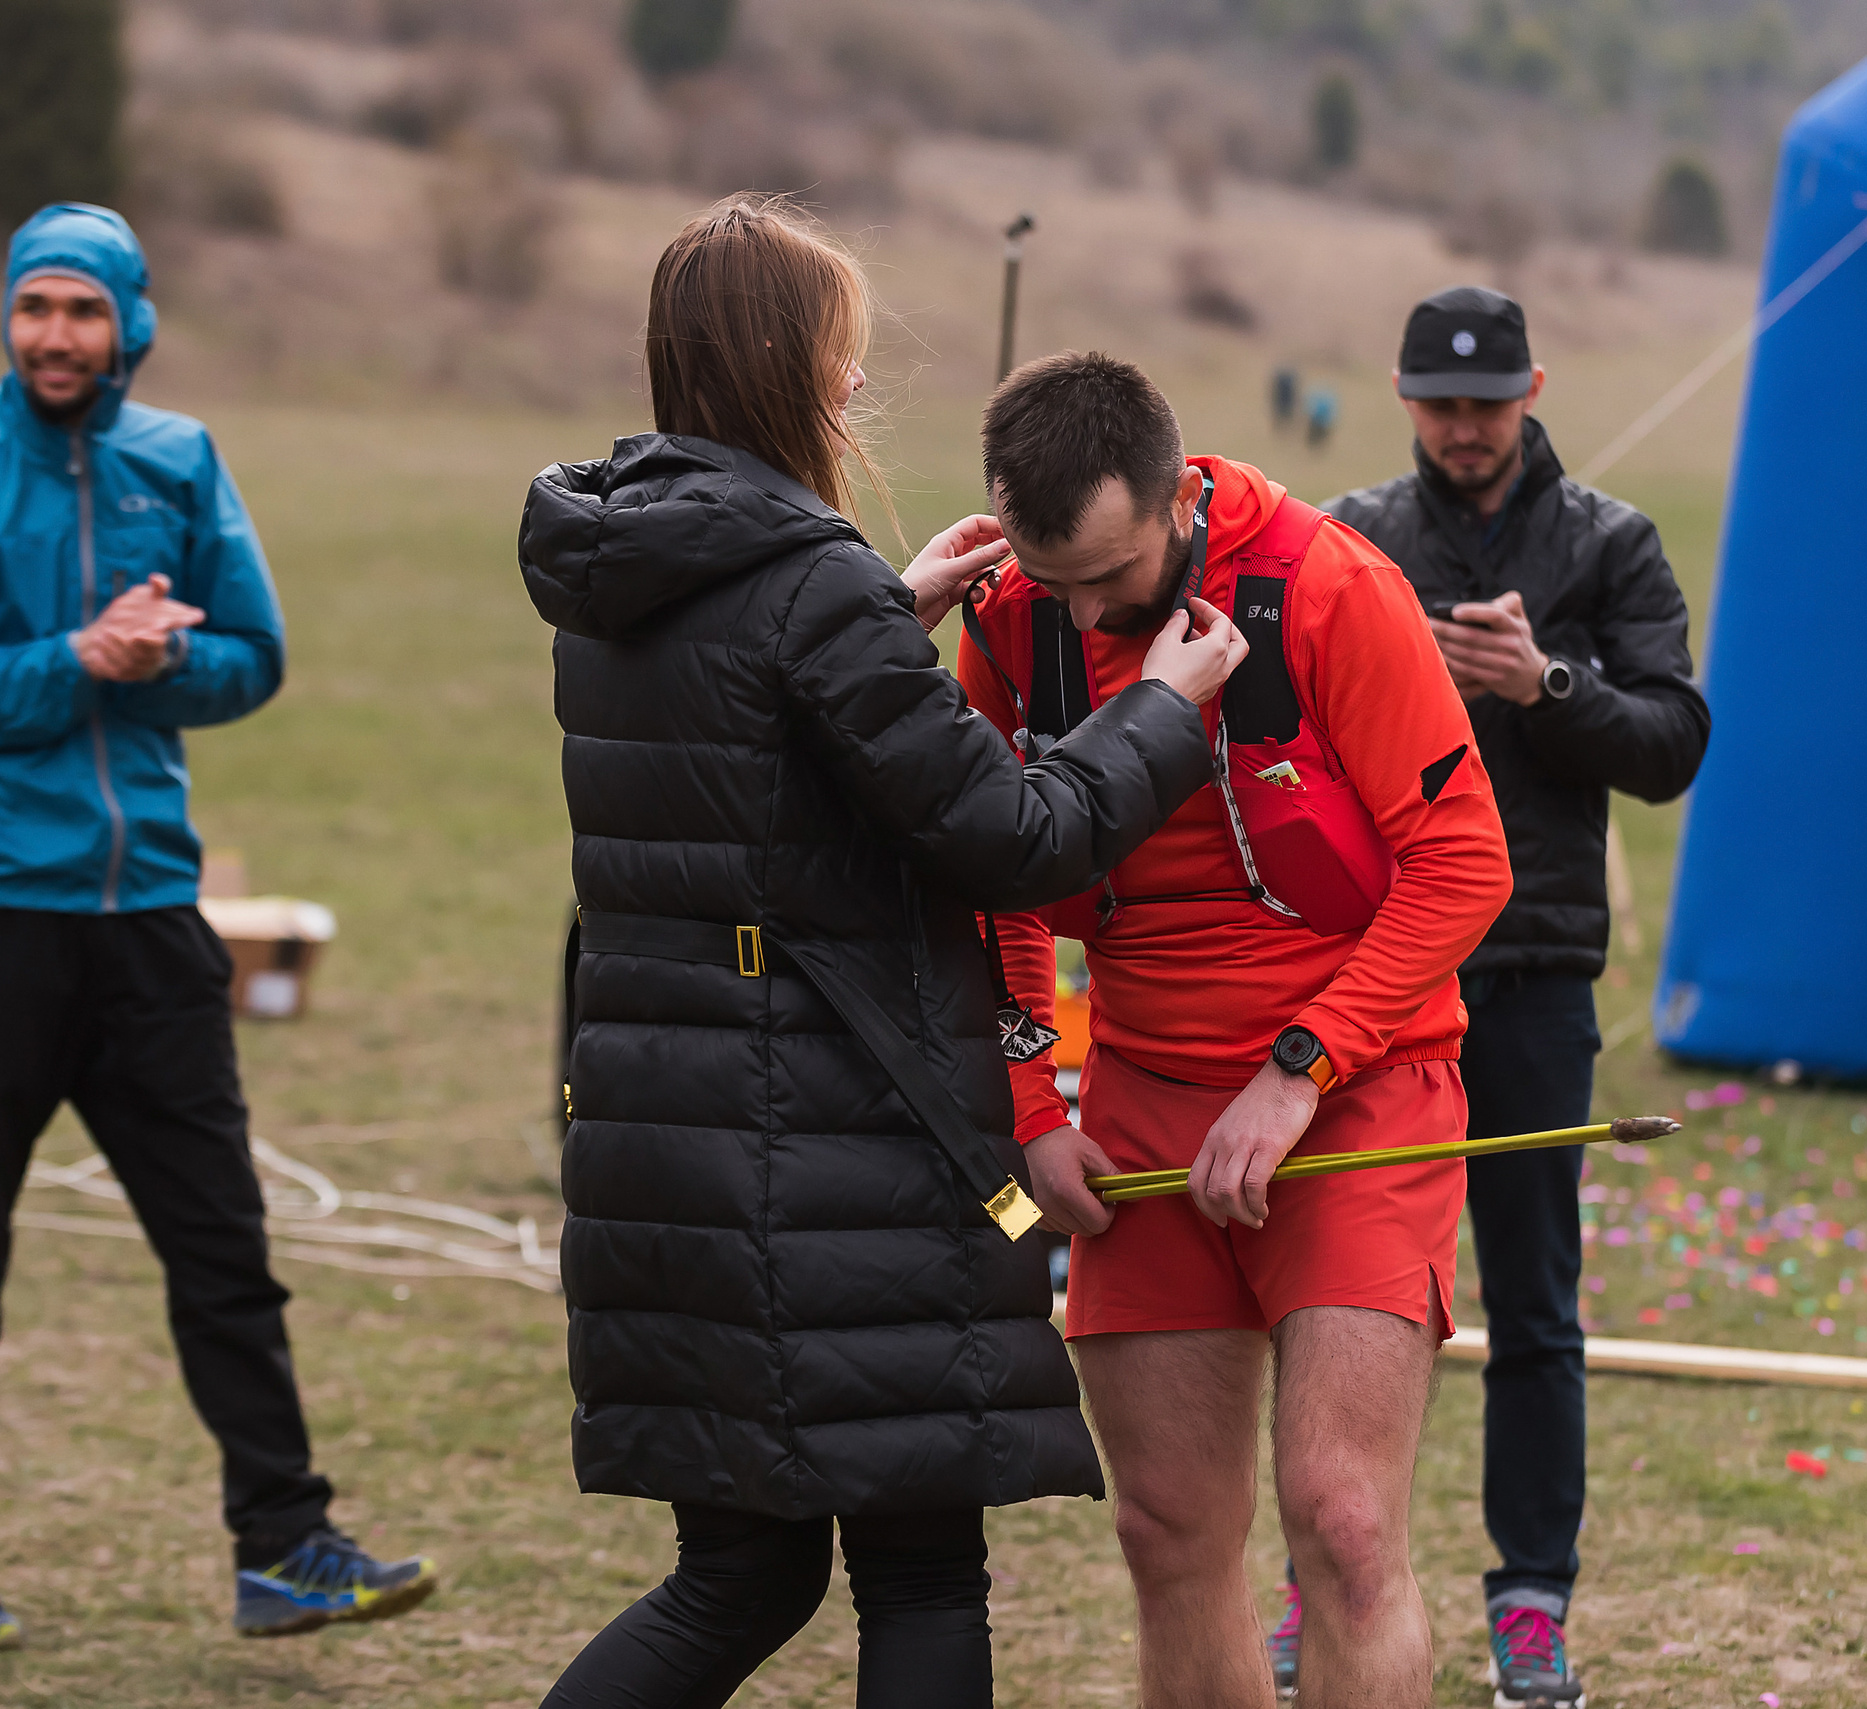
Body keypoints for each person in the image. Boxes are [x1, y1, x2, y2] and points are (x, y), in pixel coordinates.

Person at [516, 198, 1245, 1709]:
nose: (853, 385)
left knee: (743, 1568)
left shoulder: (624, 570)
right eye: (841, 355)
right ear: (793, 368)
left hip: (664, 1131)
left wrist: (884, 625)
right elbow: (1016, 837)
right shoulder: (808, 582)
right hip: (830, 1147)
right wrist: (1164, 709)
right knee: (919, 1568)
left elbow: (754, 760)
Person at [0, 203, 436, 1651]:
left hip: (155, 921)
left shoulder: (180, 461)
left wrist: (163, 658)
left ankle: (286, 1545)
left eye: (83, 312)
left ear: (132, 323)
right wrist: (71, 661)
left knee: (223, 1246)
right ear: (8, 314)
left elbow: (255, 657)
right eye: (34, 307)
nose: (55, 335)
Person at [959, 351, 1516, 1709]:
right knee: (1164, 1526)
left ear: (1176, 496)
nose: (1083, 610)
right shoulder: (1014, 618)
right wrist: (1037, 1110)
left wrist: (1298, 1069)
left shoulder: (1331, 585)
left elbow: (1464, 862)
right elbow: (992, 881)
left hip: (1356, 1089)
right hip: (1140, 1096)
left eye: (1110, 575)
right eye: (1054, 577)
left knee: (1343, 1517)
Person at [1310, 285, 1710, 1709]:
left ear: (1534, 388)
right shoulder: (1349, 536)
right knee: (1351, 1294)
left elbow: (1672, 743)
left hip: (1534, 974)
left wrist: (1547, 683)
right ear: (1405, 396)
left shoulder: (1610, 542)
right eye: (1440, 403)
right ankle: (1330, 1574)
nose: (1465, 430)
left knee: (1533, 1302)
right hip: (1376, 972)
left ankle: (1531, 1599)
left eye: (1487, 404)